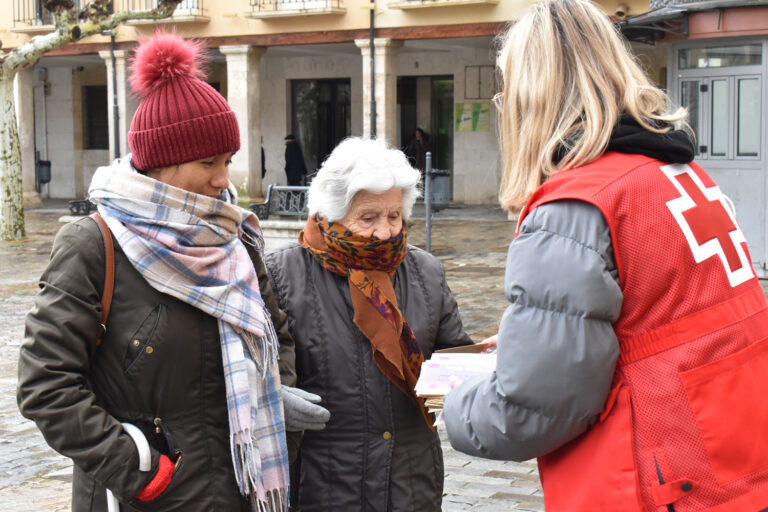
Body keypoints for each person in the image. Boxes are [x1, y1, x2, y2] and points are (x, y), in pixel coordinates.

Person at [443, 1, 768, 511]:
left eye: (506, 97)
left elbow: (535, 408)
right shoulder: (680, 174)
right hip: (731, 462)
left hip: (656, 480)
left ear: (531, 99)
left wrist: (454, 402)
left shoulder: (575, 205)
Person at [17, 32, 328, 512]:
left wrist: (273, 394)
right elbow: (46, 384)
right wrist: (137, 470)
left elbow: (275, 333)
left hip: (242, 489)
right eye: (208, 162)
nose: (224, 180)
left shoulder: (234, 235)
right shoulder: (94, 245)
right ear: (161, 163)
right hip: (148, 496)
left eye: (227, 160)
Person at [264, 137, 473, 511]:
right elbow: (255, 373)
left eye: (394, 216)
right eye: (368, 218)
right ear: (332, 213)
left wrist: (479, 372)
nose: (385, 232)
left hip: (410, 484)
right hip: (325, 487)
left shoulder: (426, 272)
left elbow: (454, 356)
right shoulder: (280, 274)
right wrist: (272, 399)